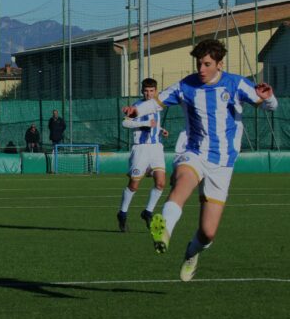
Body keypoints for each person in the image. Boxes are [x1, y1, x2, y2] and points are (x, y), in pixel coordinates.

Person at [123, 39, 278, 282]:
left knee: (208, 232)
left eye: (207, 64)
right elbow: (158, 101)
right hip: (192, 152)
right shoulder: (187, 86)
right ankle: (164, 232)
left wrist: (268, 98)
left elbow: (268, 105)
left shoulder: (236, 84)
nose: (202, 69)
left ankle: (192, 253)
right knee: (183, 183)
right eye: (199, 64)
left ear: (219, 64)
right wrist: (137, 111)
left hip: (223, 163)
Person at [117, 78, 169, 232]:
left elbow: (155, 124)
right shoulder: (137, 106)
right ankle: (122, 213)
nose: (149, 93)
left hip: (156, 148)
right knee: (134, 185)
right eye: (146, 91)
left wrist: (161, 130)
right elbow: (125, 123)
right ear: (142, 91)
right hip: (140, 149)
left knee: (160, 183)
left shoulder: (158, 106)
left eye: (152, 91)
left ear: (156, 91)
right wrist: (144, 124)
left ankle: (147, 212)